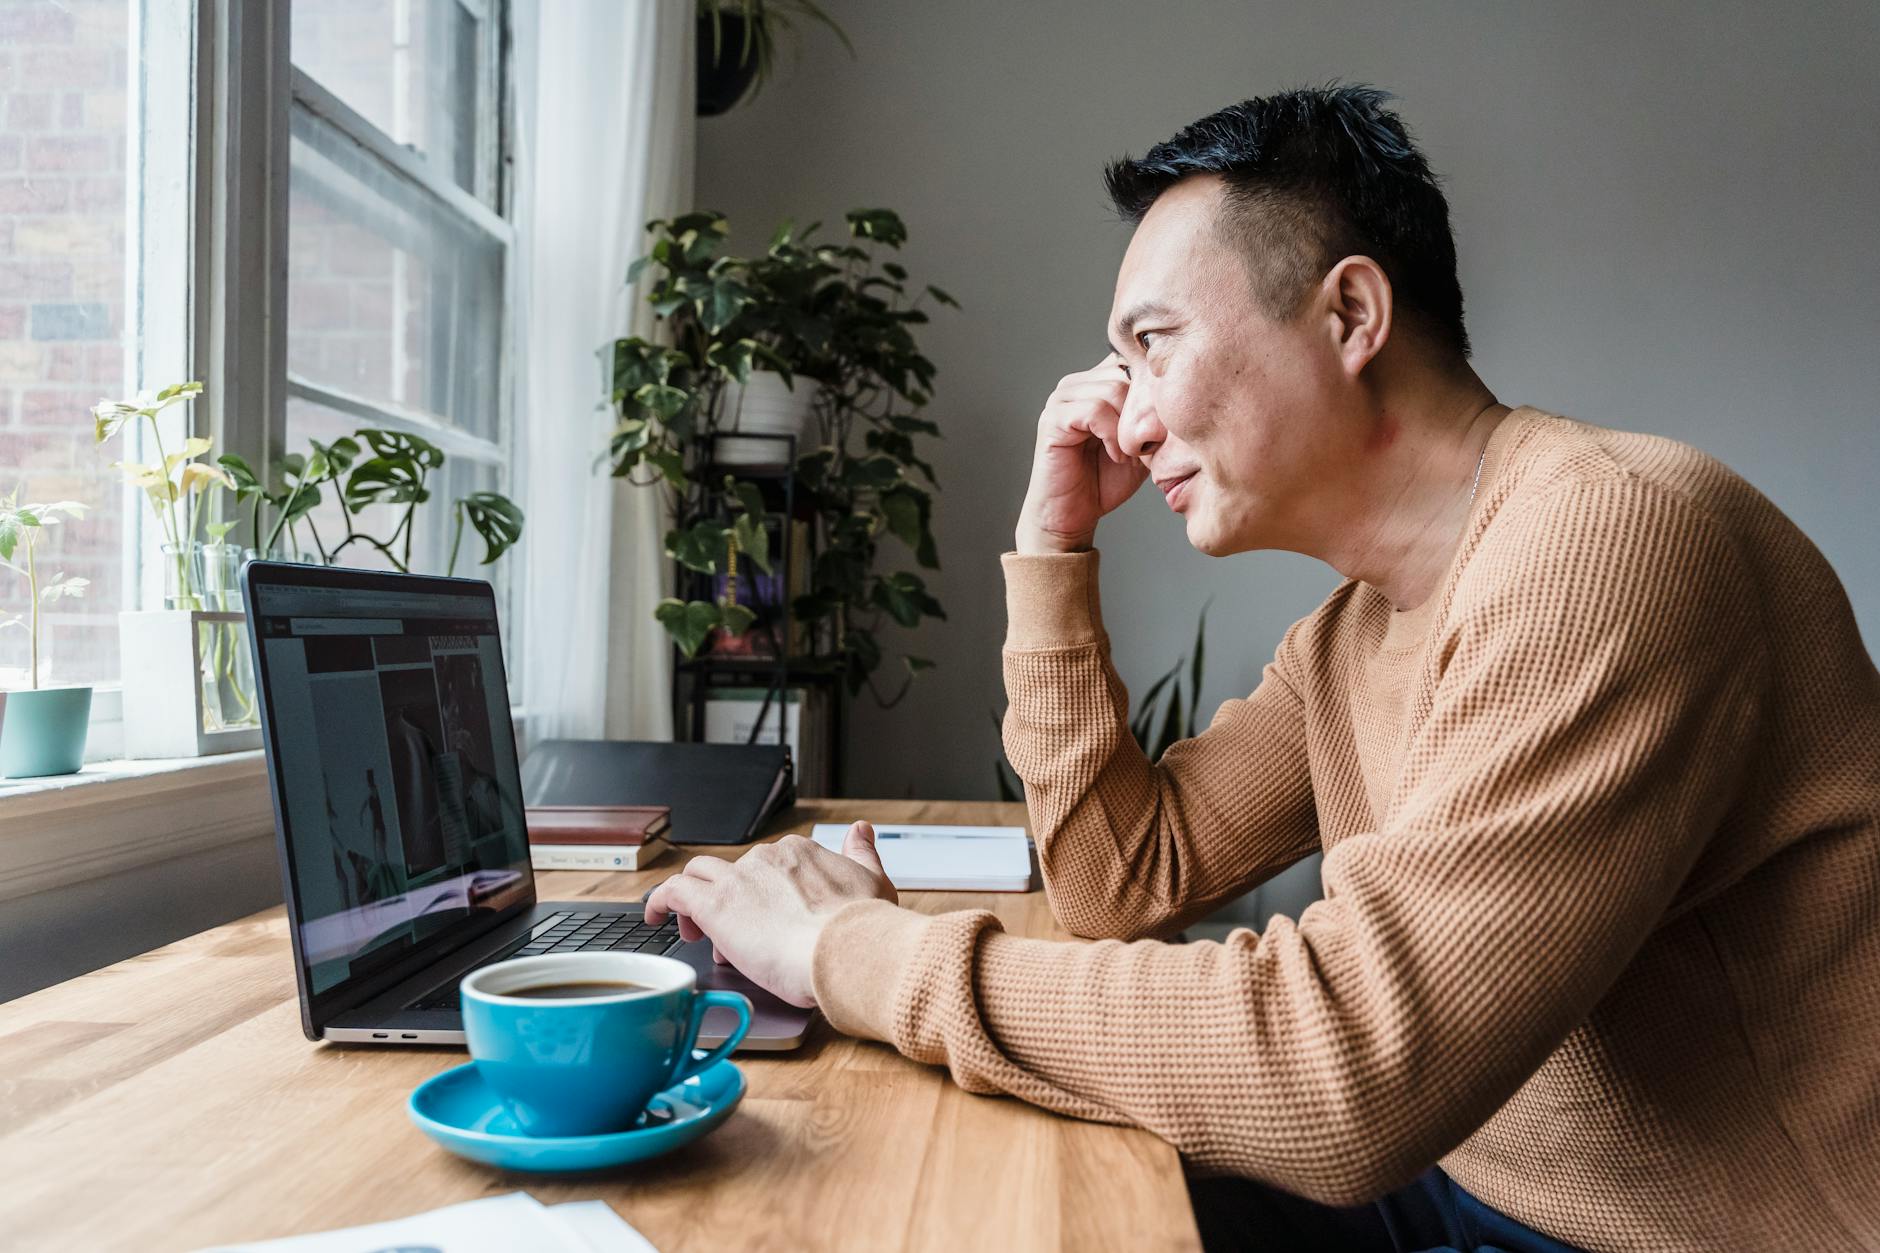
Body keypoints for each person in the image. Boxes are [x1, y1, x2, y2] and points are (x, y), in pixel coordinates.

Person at [645, 85, 1880, 1253]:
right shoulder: (1356, 626)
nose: (1121, 420)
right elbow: (1120, 878)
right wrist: (1052, 548)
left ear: (1349, 314)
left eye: (1153, 342)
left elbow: (1347, 1071)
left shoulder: (1610, 541)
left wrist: (845, 953)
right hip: (1462, 1184)